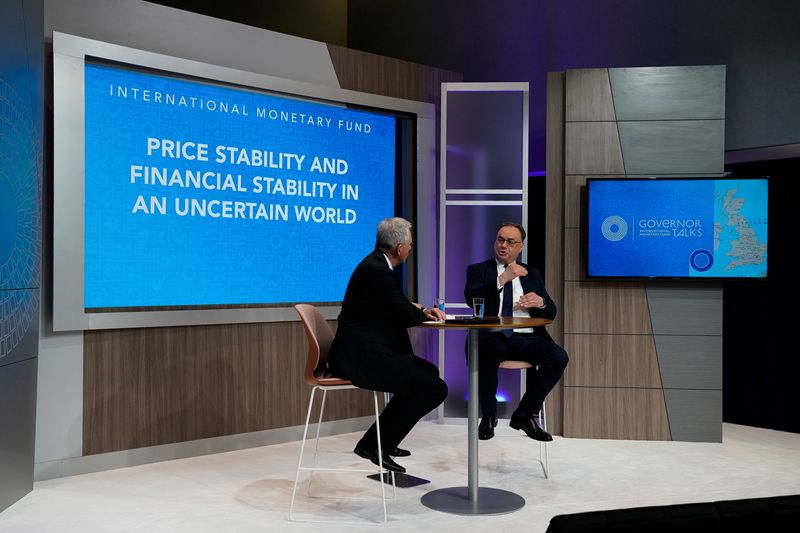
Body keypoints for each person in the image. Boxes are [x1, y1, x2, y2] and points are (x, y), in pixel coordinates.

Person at [329, 217, 448, 473]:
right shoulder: (379, 271)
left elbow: (396, 306)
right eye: (410, 244)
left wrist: (419, 310)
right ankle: (376, 444)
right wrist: (424, 312)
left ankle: (381, 441)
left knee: (428, 374)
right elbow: (403, 313)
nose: (411, 248)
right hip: (360, 356)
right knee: (436, 388)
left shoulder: (375, 265)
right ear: (399, 249)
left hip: (363, 349)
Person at [464, 222, 568, 441]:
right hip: (493, 334)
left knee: (558, 356)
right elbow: (471, 299)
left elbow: (551, 312)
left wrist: (540, 303)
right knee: (488, 350)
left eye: (510, 242)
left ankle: (525, 414)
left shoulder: (532, 273)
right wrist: (502, 279)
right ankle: (489, 415)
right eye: (500, 240)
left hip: (526, 337)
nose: (503, 245)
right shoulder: (478, 270)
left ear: (520, 246)